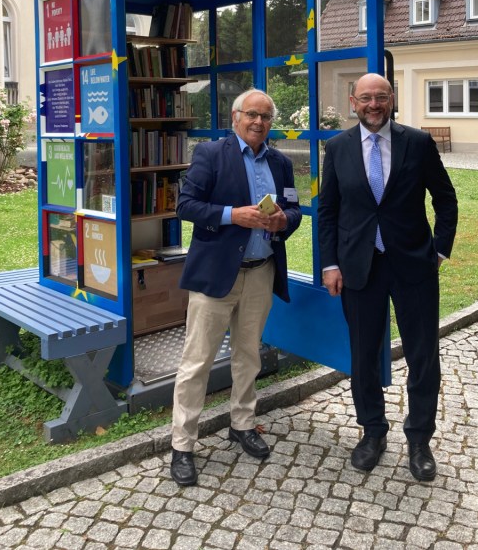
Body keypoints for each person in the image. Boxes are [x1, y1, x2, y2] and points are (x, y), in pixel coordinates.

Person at [318, 73, 458, 481]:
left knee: (422, 355)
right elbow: (328, 212)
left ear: (392, 99)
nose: (373, 105)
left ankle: (419, 439)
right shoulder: (338, 147)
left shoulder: (417, 142)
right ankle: (372, 432)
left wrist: (440, 249)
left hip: (413, 265)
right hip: (359, 268)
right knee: (362, 355)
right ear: (353, 102)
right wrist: (330, 264)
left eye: (381, 97)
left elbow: (445, 199)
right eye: (366, 98)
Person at [170, 88, 302, 486]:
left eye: (265, 116)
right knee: (198, 361)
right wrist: (232, 215)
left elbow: (294, 208)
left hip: (261, 270)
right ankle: (182, 445)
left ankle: (242, 424)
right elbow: (185, 205)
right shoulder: (211, 154)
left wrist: (284, 221)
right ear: (235, 117)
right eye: (252, 115)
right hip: (216, 275)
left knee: (249, 355)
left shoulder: (280, 162)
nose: (259, 122)